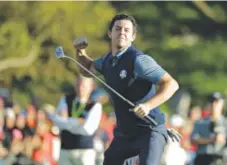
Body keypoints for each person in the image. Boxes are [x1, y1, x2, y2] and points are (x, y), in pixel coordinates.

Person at [74, 14, 179, 165]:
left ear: (133, 36)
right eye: (117, 29)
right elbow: (87, 70)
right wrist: (80, 51)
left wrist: (148, 105)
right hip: (125, 134)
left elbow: (171, 84)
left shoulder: (140, 60)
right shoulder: (107, 60)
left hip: (150, 131)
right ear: (110, 33)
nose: (122, 32)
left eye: (126, 30)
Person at [45, 76, 102, 165]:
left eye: (84, 86)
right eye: (78, 84)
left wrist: (67, 122)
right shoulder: (66, 99)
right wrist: (77, 122)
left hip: (85, 152)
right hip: (65, 149)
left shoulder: (95, 105)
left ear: (91, 87)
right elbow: (57, 121)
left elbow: (87, 130)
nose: (80, 88)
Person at [191, 92, 226, 165]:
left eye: (217, 102)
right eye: (212, 102)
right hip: (203, 158)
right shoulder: (200, 122)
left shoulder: (225, 122)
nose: (214, 104)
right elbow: (193, 139)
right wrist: (211, 139)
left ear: (222, 103)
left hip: (221, 158)